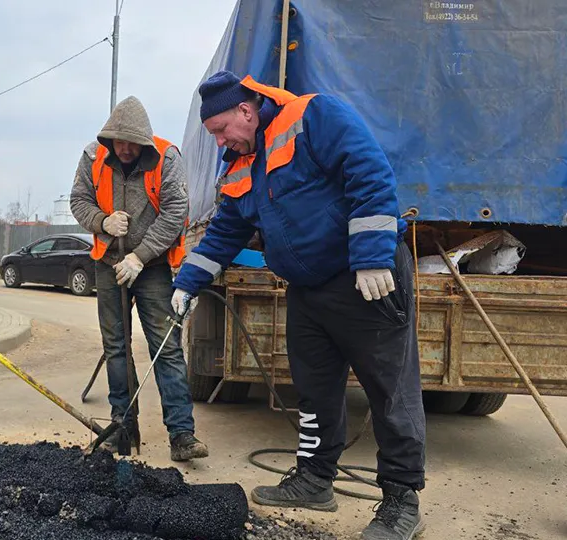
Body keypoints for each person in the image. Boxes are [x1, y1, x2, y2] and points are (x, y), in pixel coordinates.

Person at [171, 71, 425, 540]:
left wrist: (370, 255)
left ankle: (401, 500)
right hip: (309, 292)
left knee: (391, 390)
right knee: (315, 389)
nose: (221, 141)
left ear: (245, 111)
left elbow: (368, 169)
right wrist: (187, 282)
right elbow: (225, 230)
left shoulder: (314, 115)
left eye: (221, 130)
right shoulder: (242, 163)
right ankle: (314, 479)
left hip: (365, 279)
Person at [70, 95, 207, 462]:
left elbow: (176, 212)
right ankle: (122, 428)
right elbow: (78, 201)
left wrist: (139, 256)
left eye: (133, 143)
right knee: (116, 346)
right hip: (107, 263)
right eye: (120, 142)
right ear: (109, 138)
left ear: (145, 140)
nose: (126, 149)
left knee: (166, 346)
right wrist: (102, 222)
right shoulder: (92, 157)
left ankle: (182, 435)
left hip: (153, 267)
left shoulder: (167, 158)